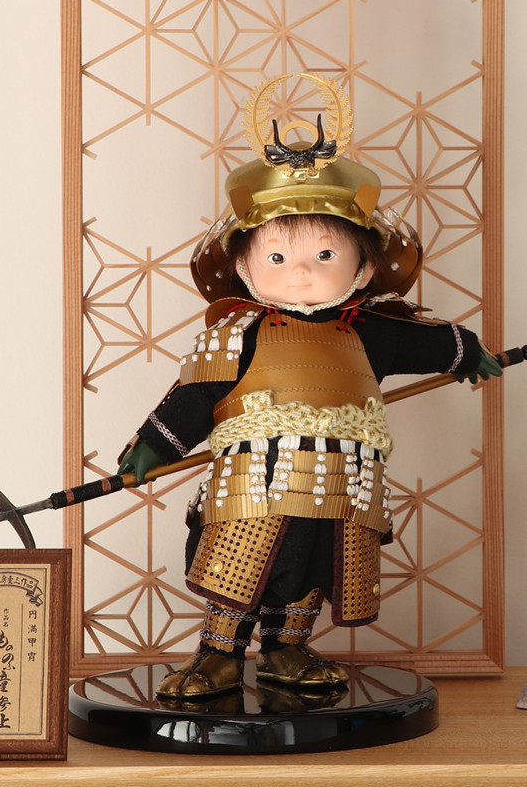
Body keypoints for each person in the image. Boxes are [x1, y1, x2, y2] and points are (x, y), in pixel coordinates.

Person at [119, 74, 498, 699]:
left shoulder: (371, 332)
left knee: (314, 569)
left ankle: (286, 649)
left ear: (364, 267)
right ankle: (218, 655)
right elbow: (194, 399)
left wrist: (468, 353)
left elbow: (433, 343)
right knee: (240, 568)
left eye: (324, 256)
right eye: (277, 258)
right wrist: (151, 449)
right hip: (255, 481)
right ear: (244, 266)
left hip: (344, 484)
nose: (299, 272)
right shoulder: (238, 335)